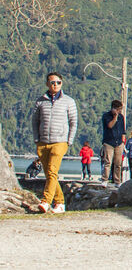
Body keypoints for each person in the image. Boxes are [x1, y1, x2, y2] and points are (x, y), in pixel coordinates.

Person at [31, 71, 77, 213]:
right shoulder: (40, 101)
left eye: (58, 82)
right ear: (47, 84)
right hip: (43, 142)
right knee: (50, 174)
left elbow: (73, 122)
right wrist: (37, 139)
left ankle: (46, 201)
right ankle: (60, 203)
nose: (55, 85)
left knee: (52, 171)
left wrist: (69, 141)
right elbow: (34, 121)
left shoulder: (69, 101)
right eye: (53, 82)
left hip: (60, 141)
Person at [100, 99, 126, 184]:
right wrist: (115, 117)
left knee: (118, 163)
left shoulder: (121, 117)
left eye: (120, 109)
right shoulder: (106, 116)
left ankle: (117, 180)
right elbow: (110, 126)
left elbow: (123, 130)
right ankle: (105, 179)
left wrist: (123, 142)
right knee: (108, 162)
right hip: (108, 142)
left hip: (119, 142)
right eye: (118, 109)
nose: (119, 111)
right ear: (113, 108)